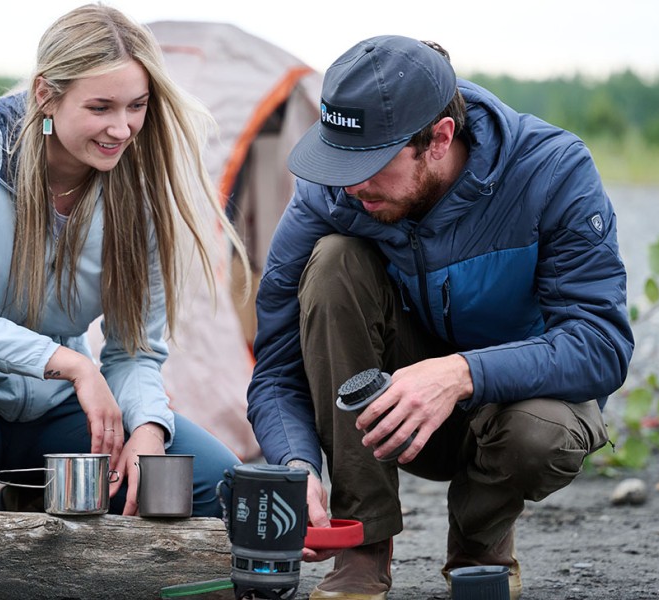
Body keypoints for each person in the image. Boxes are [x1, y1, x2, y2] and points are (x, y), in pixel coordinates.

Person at [247, 35, 634, 599]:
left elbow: (601, 344)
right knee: (333, 262)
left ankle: (480, 548)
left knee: (538, 436)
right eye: (339, 162)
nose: (351, 185)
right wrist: (295, 462)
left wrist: (460, 374)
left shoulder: (551, 171)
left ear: (439, 139)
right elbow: (276, 366)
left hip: (513, 409)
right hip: (396, 418)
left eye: (372, 165)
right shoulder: (331, 196)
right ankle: (363, 547)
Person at [0, 3, 246, 517]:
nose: (123, 128)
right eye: (101, 107)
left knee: (215, 485)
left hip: (50, 415)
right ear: (45, 94)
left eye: (137, 105)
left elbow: (134, 350)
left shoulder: (141, 192)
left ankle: (28, 498)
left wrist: (150, 430)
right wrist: (70, 364)